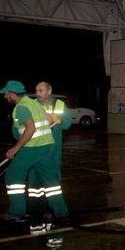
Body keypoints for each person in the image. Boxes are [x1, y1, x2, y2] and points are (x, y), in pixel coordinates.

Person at [0, 80, 69, 232]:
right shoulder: (34, 104)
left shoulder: (22, 107)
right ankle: (61, 211)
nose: (5, 96)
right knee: (50, 180)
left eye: (6, 93)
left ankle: (16, 211)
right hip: (47, 145)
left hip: (32, 147)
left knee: (13, 176)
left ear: (12, 93)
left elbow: (30, 129)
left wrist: (15, 148)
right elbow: (49, 120)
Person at [28, 82, 73, 227]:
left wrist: (53, 118)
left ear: (49, 90)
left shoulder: (59, 105)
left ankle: (55, 210)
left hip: (53, 151)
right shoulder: (31, 105)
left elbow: (66, 124)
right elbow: (19, 126)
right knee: (35, 182)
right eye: (36, 90)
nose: (38, 93)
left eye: (41, 90)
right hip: (35, 149)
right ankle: (37, 209)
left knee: (53, 182)